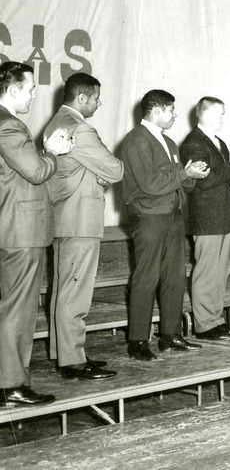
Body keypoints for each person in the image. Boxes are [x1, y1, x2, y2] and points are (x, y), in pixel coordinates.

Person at [0, 62, 72, 407]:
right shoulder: (9, 126)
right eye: (29, 89)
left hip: (9, 227)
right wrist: (52, 152)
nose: (32, 95)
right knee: (18, 309)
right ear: (12, 90)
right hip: (20, 231)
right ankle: (11, 384)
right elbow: (37, 170)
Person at [44, 73, 123, 380]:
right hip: (80, 221)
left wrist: (95, 174)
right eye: (96, 98)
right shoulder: (81, 128)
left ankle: (66, 353)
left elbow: (77, 172)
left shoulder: (56, 122)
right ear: (82, 98)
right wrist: (101, 173)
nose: (99, 102)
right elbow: (115, 169)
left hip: (66, 218)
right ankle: (72, 361)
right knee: (74, 293)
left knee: (64, 290)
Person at [120, 90, 209, 361]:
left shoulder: (168, 142)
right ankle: (137, 341)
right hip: (148, 217)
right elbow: (149, 185)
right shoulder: (136, 141)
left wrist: (192, 175)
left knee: (174, 275)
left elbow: (176, 179)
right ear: (156, 111)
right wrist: (183, 173)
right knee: (146, 277)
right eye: (171, 110)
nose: (174, 115)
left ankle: (170, 335)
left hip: (172, 216)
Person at [181, 97, 230, 340]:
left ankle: (215, 320)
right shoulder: (194, 143)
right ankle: (203, 324)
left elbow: (222, 177)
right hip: (207, 217)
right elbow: (206, 180)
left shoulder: (217, 141)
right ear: (205, 115)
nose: (222, 118)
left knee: (219, 272)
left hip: (221, 215)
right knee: (206, 272)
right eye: (219, 113)